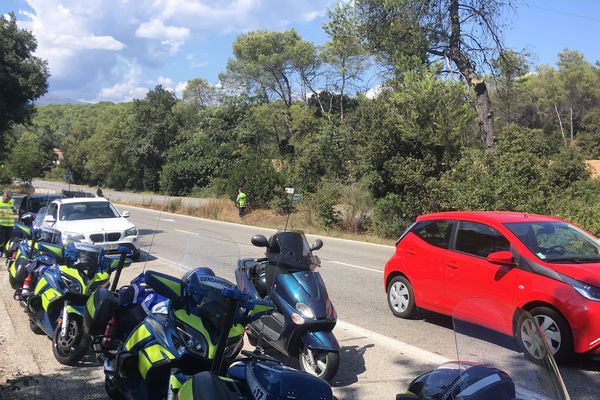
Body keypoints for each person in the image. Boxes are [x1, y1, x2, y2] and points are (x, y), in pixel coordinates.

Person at [0, 191, 16, 257]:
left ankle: (7, 253)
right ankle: (1, 252)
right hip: (1, 224)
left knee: (9, 240)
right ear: (4, 195)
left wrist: (15, 210)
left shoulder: (12, 201)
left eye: (9, 198)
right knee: (1, 240)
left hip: (10, 224)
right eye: (7, 198)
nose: (8, 200)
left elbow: (14, 210)